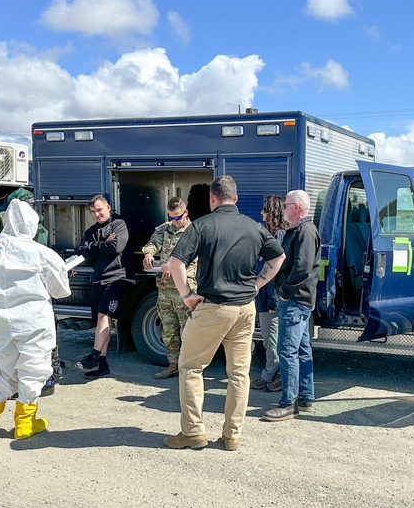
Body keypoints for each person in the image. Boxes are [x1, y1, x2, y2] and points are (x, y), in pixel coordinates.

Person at [162, 176, 285, 452]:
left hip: (213, 308)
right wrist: (257, 285)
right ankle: (232, 436)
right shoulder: (254, 227)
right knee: (239, 375)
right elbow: (278, 258)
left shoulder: (202, 226)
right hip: (245, 310)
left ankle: (193, 431)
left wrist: (187, 296)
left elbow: (175, 263)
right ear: (236, 199)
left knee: (191, 367)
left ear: (212, 199)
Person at [0, 199, 72, 439]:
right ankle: (25, 424)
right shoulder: (41, 253)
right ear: (31, 225)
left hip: (0, 322)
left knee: (2, 367)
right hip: (33, 323)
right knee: (33, 369)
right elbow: (60, 291)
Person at [0, 188, 62, 396]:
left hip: (4, 301)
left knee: (2, 352)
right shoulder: (33, 236)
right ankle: (25, 411)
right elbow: (58, 287)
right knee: (31, 357)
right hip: (30, 304)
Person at [262, 190, 321, 421]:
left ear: (296, 207)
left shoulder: (304, 230)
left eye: (286, 205)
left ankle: (288, 403)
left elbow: (302, 268)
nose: (283, 209)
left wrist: (285, 293)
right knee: (303, 350)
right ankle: (305, 397)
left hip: (295, 301)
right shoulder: (303, 229)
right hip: (301, 300)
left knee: (287, 351)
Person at [141, 197, 198, 379]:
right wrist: (149, 253)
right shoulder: (165, 229)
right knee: (169, 330)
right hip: (165, 289)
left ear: (185, 212)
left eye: (177, 217)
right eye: (171, 217)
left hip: (185, 290)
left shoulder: (194, 232)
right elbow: (154, 242)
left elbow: (195, 260)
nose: (174, 221)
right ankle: (173, 365)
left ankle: (188, 368)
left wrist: (172, 267)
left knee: (187, 331)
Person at [76, 195, 129, 379]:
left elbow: (116, 246)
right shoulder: (90, 231)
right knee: (100, 320)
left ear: (108, 207)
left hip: (117, 278)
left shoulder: (118, 224)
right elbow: (85, 254)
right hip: (98, 280)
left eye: (99, 210)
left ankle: (94, 355)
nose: (97, 214)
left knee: (104, 315)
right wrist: (100, 245)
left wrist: (94, 246)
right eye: (93, 212)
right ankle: (102, 364)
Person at [252, 195, 288, 392]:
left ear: (273, 212)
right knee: (269, 338)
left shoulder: (280, 235)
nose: (261, 213)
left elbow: (277, 266)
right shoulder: (271, 234)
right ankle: (269, 374)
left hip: (272, 295)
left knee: (273, 338)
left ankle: (274, 375)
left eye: (264, 210)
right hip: (267, 294)